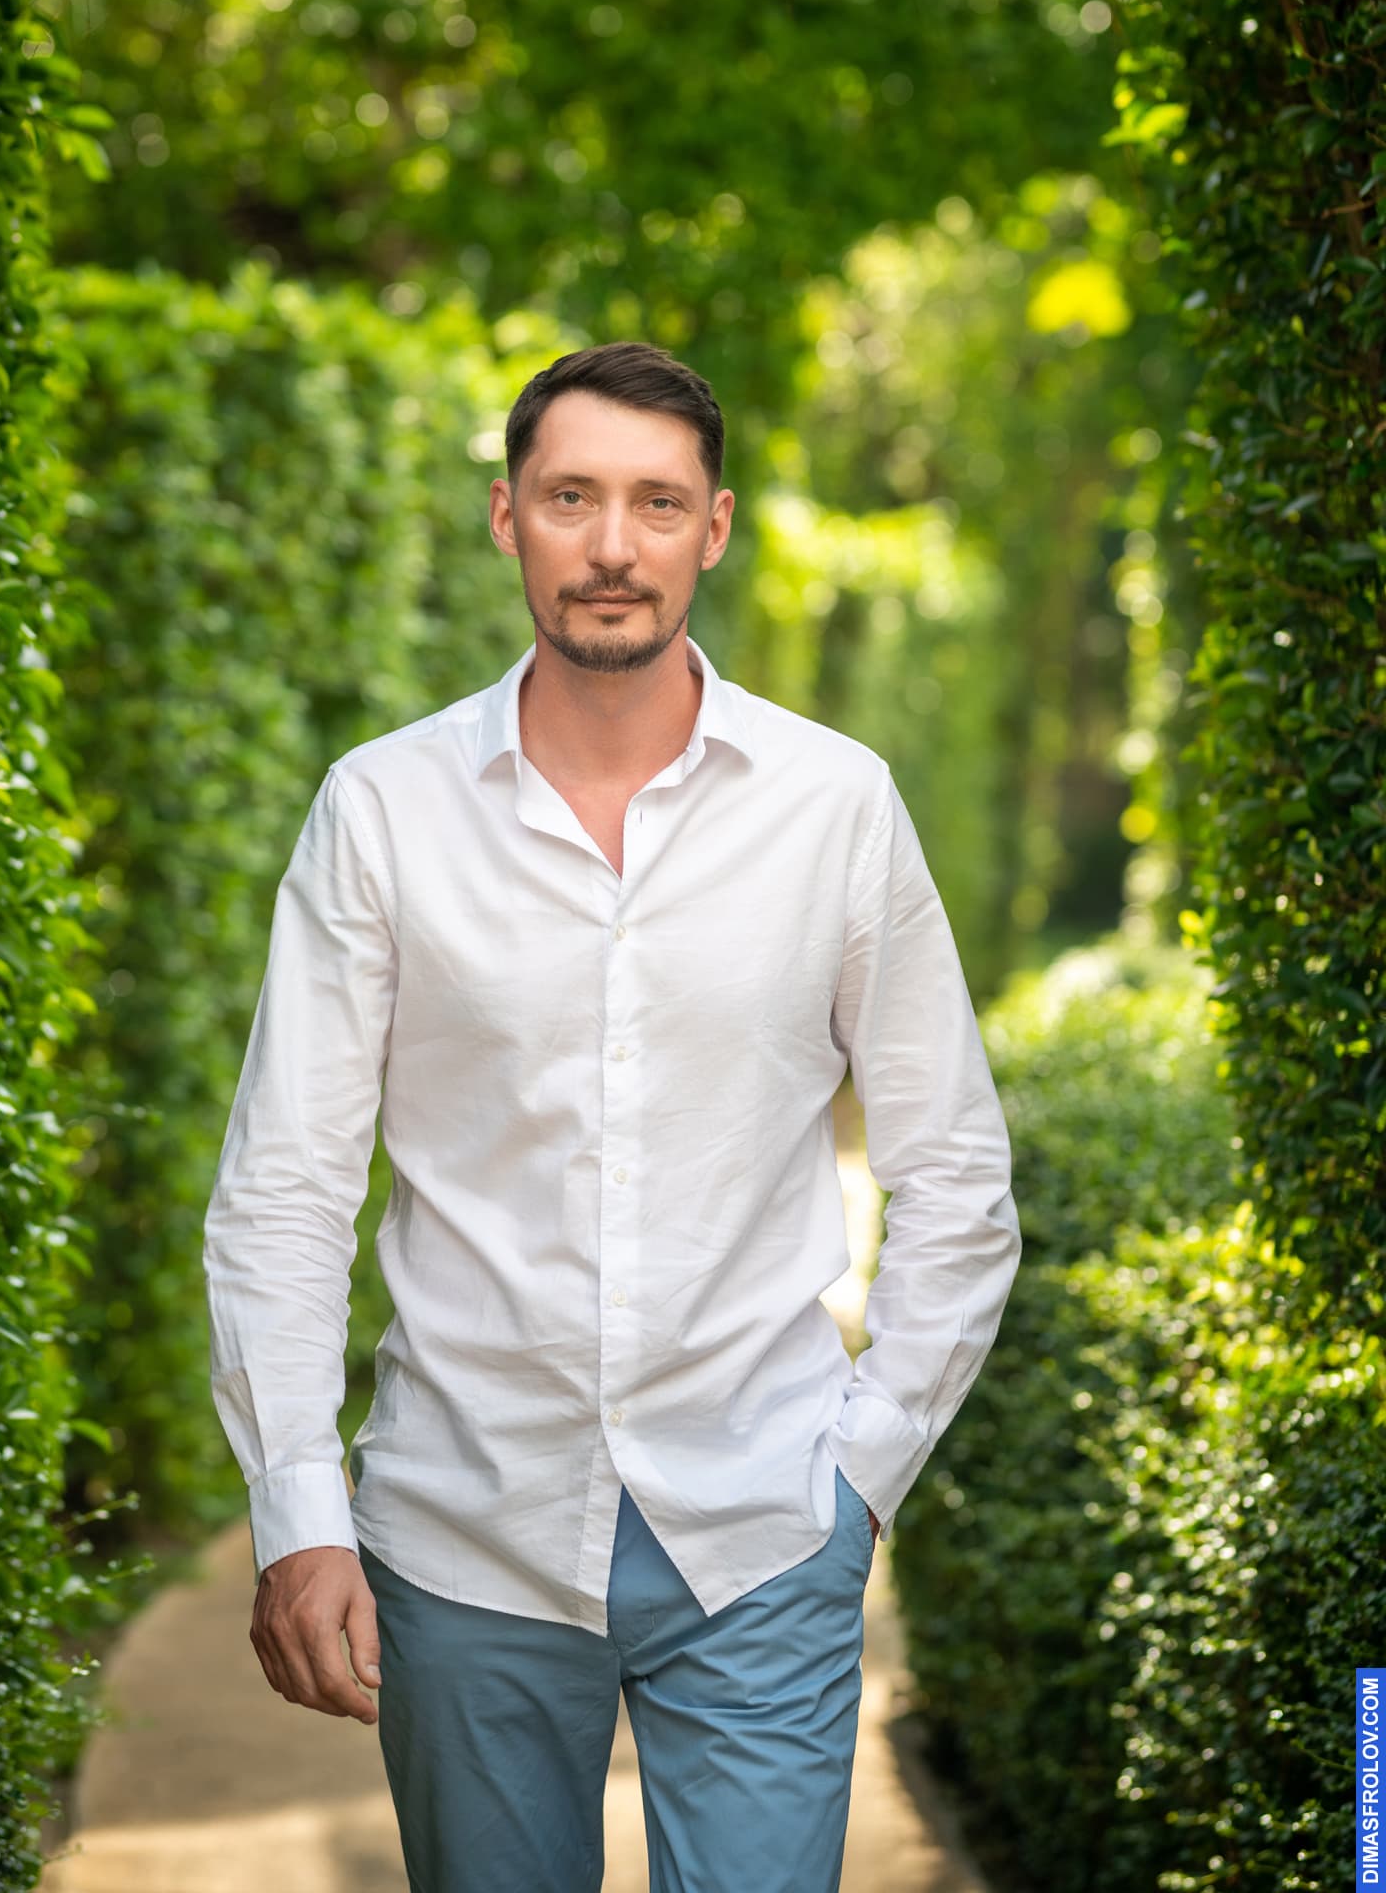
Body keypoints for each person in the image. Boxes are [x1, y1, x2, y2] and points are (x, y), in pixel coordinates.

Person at [203, 339, 1022, 1893]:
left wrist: (862, 1475)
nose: (613, 546)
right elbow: (285, 1189)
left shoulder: (835, 804)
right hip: (464, 1535)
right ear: (506, 516)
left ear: (715, 529)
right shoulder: (380, 811)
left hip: (766, 1525)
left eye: (657, 503)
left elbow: (955, 1172)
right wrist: (297, 1514)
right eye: (572, 497)